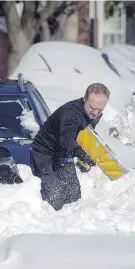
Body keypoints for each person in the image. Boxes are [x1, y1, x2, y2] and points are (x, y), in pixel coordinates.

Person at [30, 83, 110, 211]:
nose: (95, 113)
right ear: (85, 99)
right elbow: (67, 144)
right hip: (44, 154)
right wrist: (86, 156)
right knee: (54, 194)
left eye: (99, 110)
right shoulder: (71, 114)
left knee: (73, 195)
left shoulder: (93, 113)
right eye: (92, 107)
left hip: (62, 155)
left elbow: (84, 135)